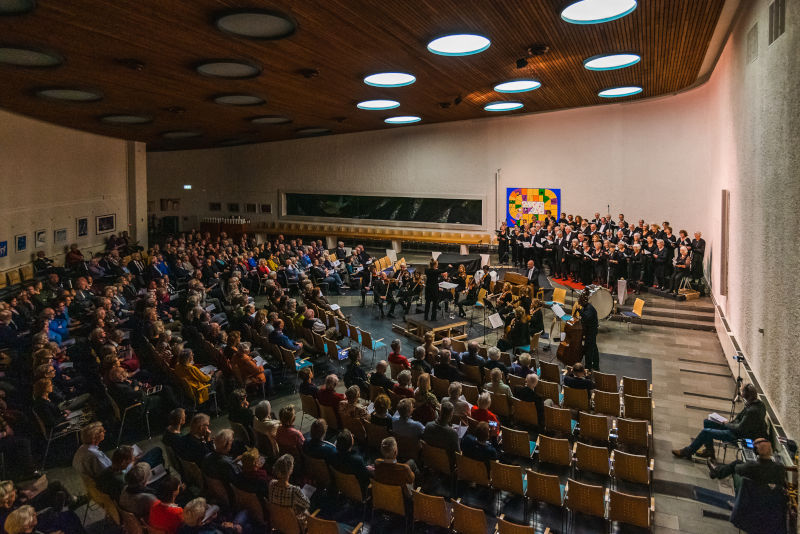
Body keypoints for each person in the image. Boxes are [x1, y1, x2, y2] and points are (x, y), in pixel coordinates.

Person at [672, 383, 767, 460]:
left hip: (739, 435)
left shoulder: (752, 411)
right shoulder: (759, 404)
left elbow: (740, 428)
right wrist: (728, 423)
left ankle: (688, 451)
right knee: (707, 422)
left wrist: (727, 424)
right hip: (736, 428)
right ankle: (709, 451)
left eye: (742, 393)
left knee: (706, 432)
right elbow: (740, 420)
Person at [707, 438, 785, 485]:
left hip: (752, 491)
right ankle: (717, 470)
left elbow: (737, 469)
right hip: (767, 497)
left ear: (756, 451)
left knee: (736, 463)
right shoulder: (779, 467)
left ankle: (717, 472)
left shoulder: (751, 465)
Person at [268, 454, 310, 524]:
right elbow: (307, 504)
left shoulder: (271, 484)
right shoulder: (294, 490)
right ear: (290, 470)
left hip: (279, 523)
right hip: (294, 525)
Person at [578, 291, 599, 371]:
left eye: (580, 303)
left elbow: (587, 318)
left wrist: (580, 312)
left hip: (591, 331)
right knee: (594, 347)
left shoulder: (590, 308)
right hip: (589, 331)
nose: (580, 305)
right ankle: (596, 364)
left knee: (589, 350)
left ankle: (588, 367)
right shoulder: (585, 307)